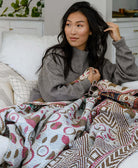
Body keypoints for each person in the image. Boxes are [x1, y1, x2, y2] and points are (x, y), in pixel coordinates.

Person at [30, 1, 138, 102]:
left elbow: (130, 74)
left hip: (78, 115)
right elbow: (52, 95)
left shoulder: (98, 62)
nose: (72, 31)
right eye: (68, 24)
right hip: (44, 112)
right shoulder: (55, 57)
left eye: (79, 25)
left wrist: (118, 41)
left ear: (91, 30)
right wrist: (88, 83)